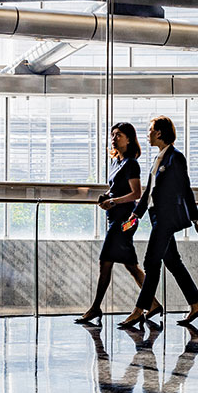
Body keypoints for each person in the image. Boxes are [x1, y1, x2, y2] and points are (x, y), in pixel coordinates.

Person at [118, 116, 198, 329]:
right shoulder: (158, 158)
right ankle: (195, 305)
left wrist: (196, 219)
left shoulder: (175, 158)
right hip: (156, 217)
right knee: (173, 262)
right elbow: (148, 192)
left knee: (150, 263)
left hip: (166, 221)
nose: (147, 134)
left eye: (150, 130)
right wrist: (135, 216)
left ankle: (140, 310)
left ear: (159, 133)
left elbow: (186, 189)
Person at [75, 122, 161, 324]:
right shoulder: (116, 162)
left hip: (125, 219)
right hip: (115, 217)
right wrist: (107, 196)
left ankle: (95, 308)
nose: (114, 138)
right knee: (131, 266)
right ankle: (154, 304)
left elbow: (136, 194)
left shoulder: (132, 163)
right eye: (113, 134)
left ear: (129, 139)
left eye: (119, 135)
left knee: (105, 262)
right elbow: (117, 188)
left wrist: (113, 201)